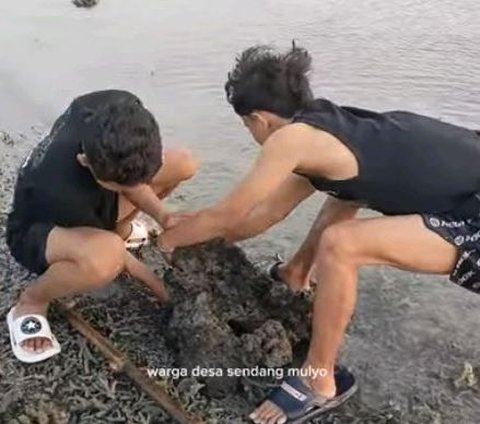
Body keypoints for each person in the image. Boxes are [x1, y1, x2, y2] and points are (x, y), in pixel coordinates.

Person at [157, 44, 480, 423]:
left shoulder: (289, 140)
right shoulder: (325, 129)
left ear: (259, 119)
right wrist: (197, 222)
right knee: (344, 197)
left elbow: (230, 213)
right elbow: (265, 215)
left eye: (246, 126)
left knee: (342, 245)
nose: (250, 133)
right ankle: (296, 274)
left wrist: (169, 241)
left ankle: (318, 380)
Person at [6, 89, 197, 364]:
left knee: (183, 162)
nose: (136, 189)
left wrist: (164, 216)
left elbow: (133, 180)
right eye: (122, 187)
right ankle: (31, 301)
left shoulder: (119, 104)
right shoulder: (61, 193)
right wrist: (158, 288)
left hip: (92, 193)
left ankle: (122, 228)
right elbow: (115, 253)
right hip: (38, 231)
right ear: (86, 162)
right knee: (104, 255)